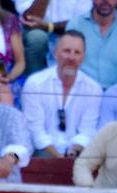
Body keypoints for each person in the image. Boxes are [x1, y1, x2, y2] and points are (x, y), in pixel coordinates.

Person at [21, 29, 99, 158]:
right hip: (44, 150)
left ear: (83, 57)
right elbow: (35, 131)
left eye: (77, 52)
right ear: (55, 53)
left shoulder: (93, 89)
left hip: (76, 151)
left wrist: (73, 151)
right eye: (66, 51)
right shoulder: (35, 83)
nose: (71, 58)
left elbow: (87, 131)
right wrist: (59, 158)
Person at [65, 0, 117, 89]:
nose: (105, 1)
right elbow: (67, 63)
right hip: (81, 92)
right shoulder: (75, 25)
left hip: (116, 96)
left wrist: (113, 93)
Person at [18, 0, 89, 77]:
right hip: (41, 41)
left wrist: (49, 27)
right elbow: (30, 18)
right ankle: (32, 81)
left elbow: (82, 23)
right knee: (37, 37)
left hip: (75, 41)